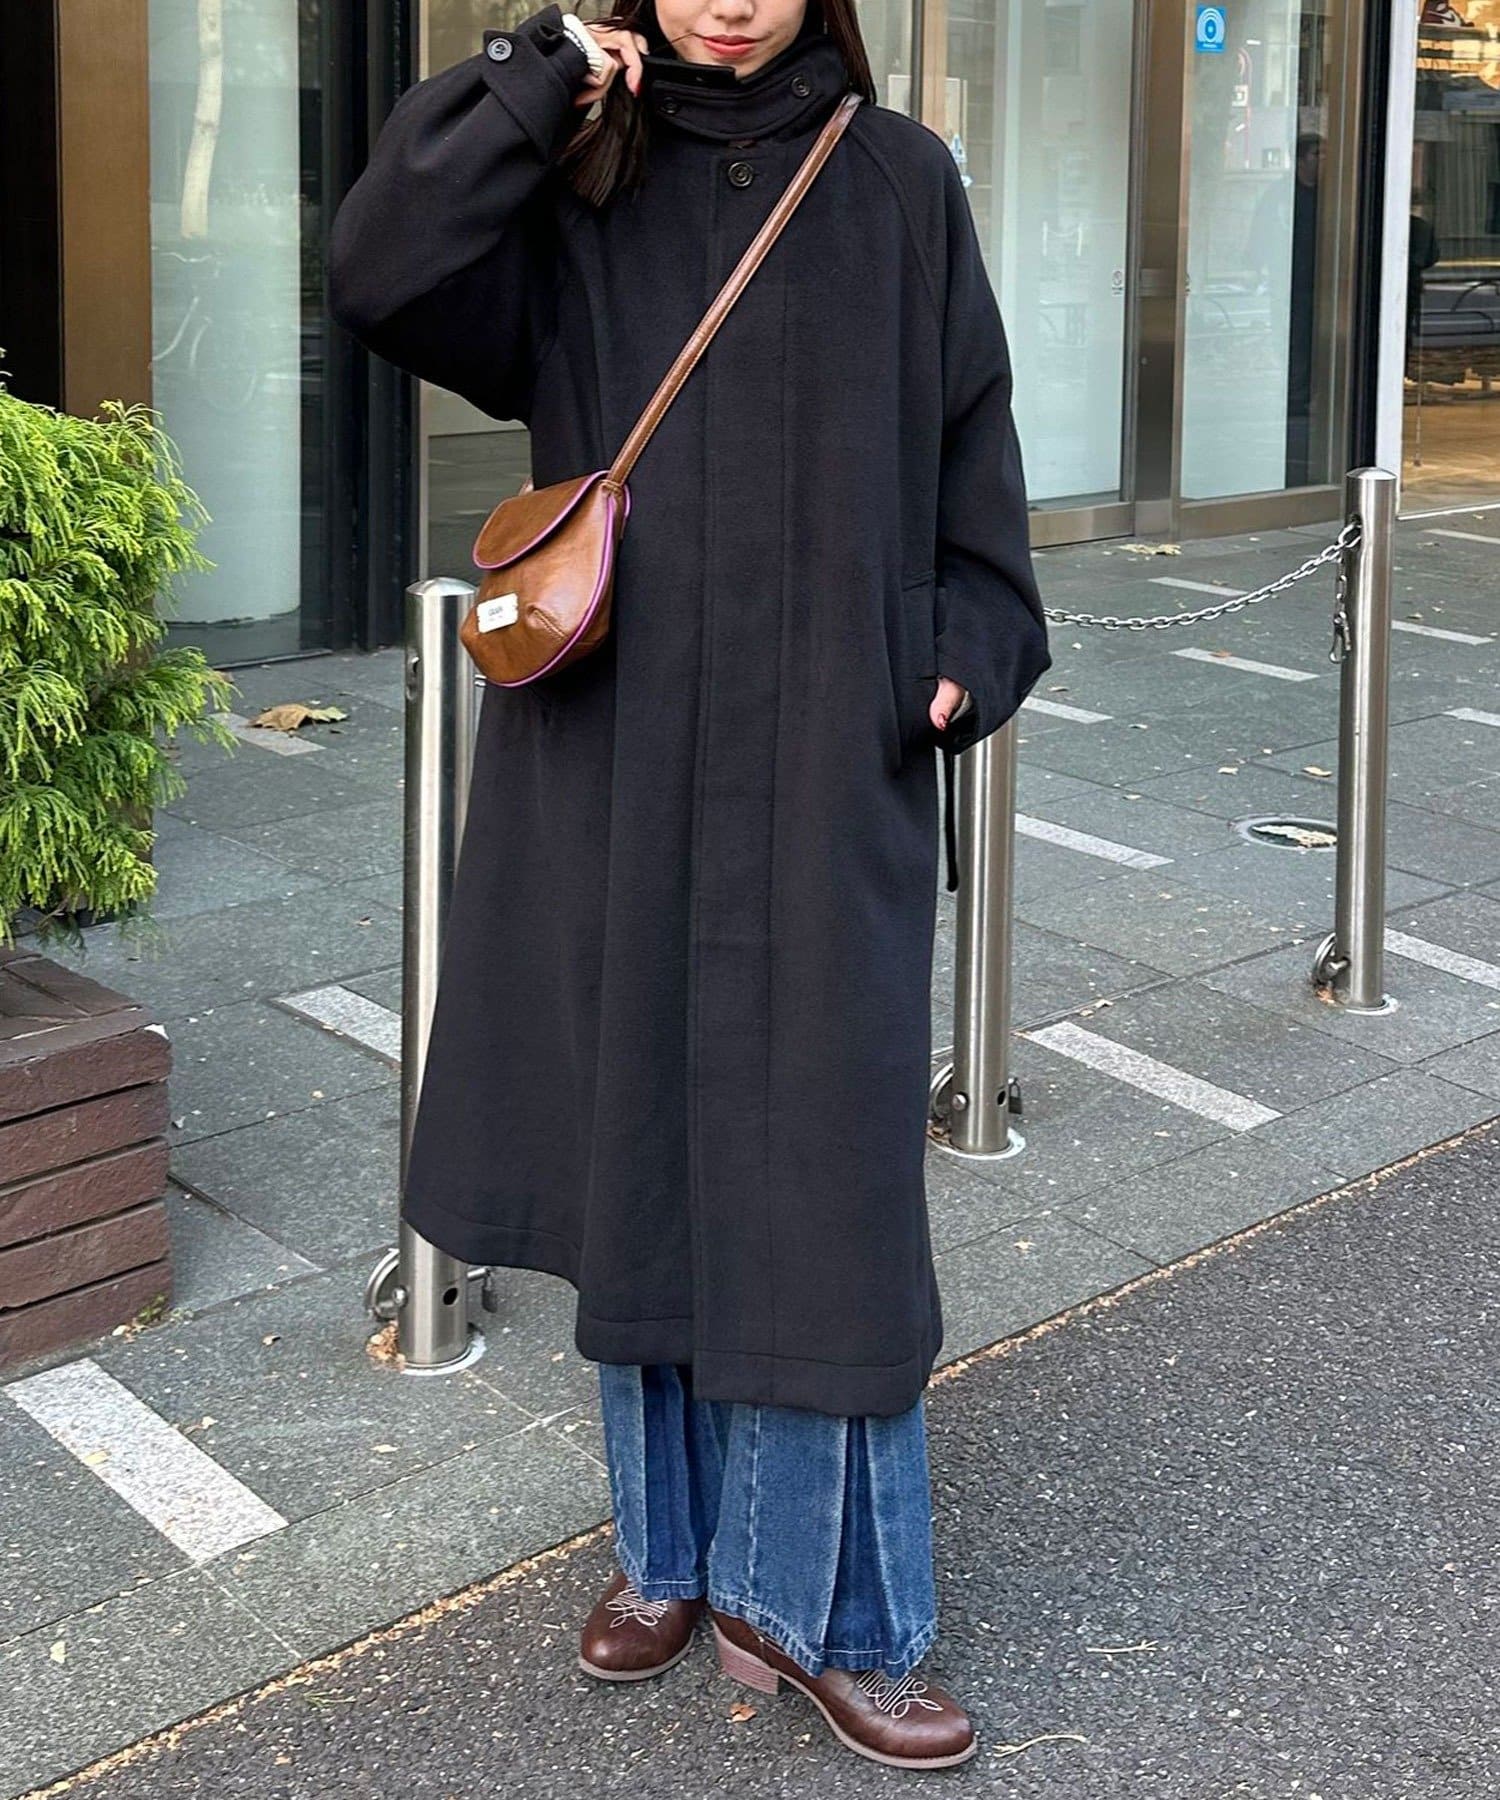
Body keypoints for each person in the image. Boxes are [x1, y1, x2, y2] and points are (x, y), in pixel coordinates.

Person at [327, 0, 1049, 1769]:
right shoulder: (586, 166)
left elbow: (974, 449)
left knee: (825, 1198)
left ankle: (838, 1618)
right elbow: (381, 267)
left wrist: (957, 648)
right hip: (614, 758)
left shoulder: (899, 181)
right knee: (633, 1150)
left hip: (824, 764)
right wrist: (535, 77)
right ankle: (667, 1558)